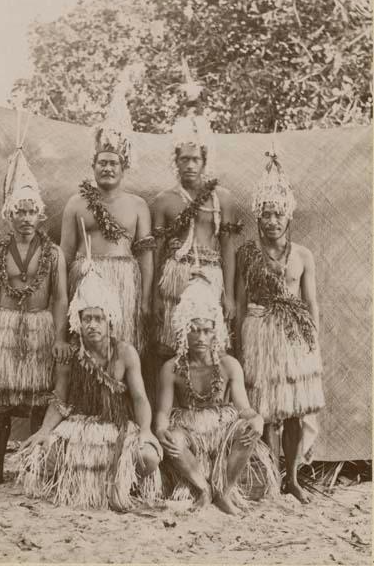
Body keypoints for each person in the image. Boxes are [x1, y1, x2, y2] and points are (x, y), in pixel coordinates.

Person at [17, 246, 162, 511]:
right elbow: (60, 400)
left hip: (115, 426)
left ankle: (122, 484)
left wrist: (145, 430)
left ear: (110, 322)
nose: (92, 325)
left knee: (148, 458)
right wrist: (45, 430)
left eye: (98, 319)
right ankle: (79, 483)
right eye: (87, 319)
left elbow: (140, 397)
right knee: (39, 456)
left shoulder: (126, 353)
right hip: (78, 425)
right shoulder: (71, 354)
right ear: (78, 322)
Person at [0, 114, 69, 488]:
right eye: (20, 211)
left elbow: (60, 299)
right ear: (9, 214)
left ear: (40, 214)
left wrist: (60, 338)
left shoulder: (54, 254)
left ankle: (32, 465)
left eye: (32, 211)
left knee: (37, 399)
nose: (26, 218)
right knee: (2, 401)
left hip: (42, 328)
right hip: (5, 329)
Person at [236, 150, 325, 504]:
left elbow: (311, 301)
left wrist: (312, 341)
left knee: (292, 409)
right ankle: (267, 473)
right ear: (258, 216)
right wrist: (241, 344)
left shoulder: (303, 255)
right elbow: (241, 301)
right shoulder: (248, 253)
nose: (272, 220)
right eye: (266, 214)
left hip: (293, 336)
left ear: (288, 216)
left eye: (278, 214)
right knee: (264, 408)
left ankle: (291, 477)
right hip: (259, 332)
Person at [155, 271, 279, 515]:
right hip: (189, 427)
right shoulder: (171, 368)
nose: (201, 337)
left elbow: (243, 408)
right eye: (194, 330)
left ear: (216, 332)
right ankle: (203, 489)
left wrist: (256, 418)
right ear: (183, 332)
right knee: (174, 441)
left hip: (222, 426)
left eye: (207, 330)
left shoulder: (229, 364)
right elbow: (162, 411)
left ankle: (224, 490)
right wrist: (161, 430)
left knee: (248, 430)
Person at [151, 63, 242, 369]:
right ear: (175, 161)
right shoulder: (164, 201)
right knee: (172, 344)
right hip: (176, 275)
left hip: (211, 275)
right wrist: (153, 295)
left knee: (209, 343)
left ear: (205, 162)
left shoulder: (223, 199)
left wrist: (229, 296)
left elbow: (228, 248)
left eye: (196, 159)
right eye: (184, 159)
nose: (190, 165)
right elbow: (158, 252)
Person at [60, 67, 154, 357]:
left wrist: (146, 297)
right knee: (85, 349)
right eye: (102, 162)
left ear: (123, 167)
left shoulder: (138, 206)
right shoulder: (76, 203)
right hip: (85, 278)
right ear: (93, 166)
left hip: (125, 281)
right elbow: (63, 254)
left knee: (121, 349)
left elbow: (146, 255)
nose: (108, 168)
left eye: (114, 162)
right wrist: (62, 295)